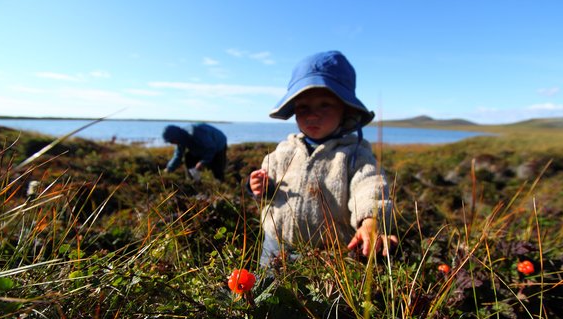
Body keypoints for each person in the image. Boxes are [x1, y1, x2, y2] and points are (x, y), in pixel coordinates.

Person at [248, 50, 397, 267]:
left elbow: (369, 187)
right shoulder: (283, 151)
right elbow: (266, 187)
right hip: (275, 245)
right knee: (267, 287)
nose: (312, 115)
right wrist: (260, 187)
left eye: (324, 104)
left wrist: (369, 221)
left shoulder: (355, 154)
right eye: (303, 107)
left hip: (330, 256)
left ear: (345, 109)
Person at [162, 123, 227, 182]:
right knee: (189, 158)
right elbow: (178, 155)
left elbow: (211, 148)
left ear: (176, 136)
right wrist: (169, 169)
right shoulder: (181, 139)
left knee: (217, 168)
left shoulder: (196, 133)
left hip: (218, 145)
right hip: (202, 146)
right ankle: (193, 181)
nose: (172, 143)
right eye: (170, 142)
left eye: (171, 141)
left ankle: (220, 184)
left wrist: (203, 162)